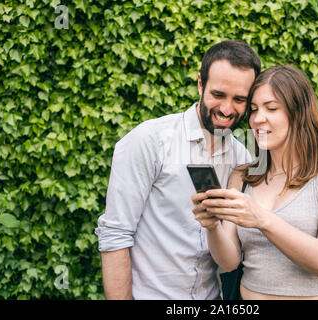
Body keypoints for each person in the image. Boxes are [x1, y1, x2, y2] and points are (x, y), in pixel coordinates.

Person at [95, 40, 261, 299]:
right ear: (200, 84)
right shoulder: (149, 140)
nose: (227, 110)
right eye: (218, 95)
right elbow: (115, 234)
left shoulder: (243, 157)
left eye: (239, 99)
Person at [192, 65, 318, 300]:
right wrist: (212, 226)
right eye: (253, 110)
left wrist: (262, 219)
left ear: (298, 112)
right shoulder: (241, 176)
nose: (257, 119)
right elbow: (230, 262)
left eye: (271, 108)